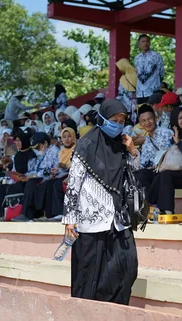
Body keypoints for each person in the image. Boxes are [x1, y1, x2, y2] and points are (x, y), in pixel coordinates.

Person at [62, 99, 139, 305]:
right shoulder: (86, 145)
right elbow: (73, 184)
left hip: (119, 219)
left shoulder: (122, 145)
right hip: (91, 222)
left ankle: (115, 310)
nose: (118, 124)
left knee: (128, 266)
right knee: (90, 276)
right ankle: (86, 316)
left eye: (122, 121)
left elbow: (132, 175)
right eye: (114, 120)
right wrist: (70, 219)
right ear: (103, 119)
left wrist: (132, 151)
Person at [148, 107, 182, 214]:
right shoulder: (175, 135)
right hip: (180, 173)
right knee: (157, 175)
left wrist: (179, 143)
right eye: (180, 118)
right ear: (174, 122)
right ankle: (151, 205)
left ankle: (167, 210)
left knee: (166, 175)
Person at [11, 131, 60, 222]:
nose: (37, 149)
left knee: (31, 183)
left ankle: (27, 214)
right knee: (26, 182)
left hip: (50, 177)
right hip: (41, 176)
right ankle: (27, 213)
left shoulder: (54, 152)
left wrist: (33, 176)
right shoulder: (43, 153)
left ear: (45, 143)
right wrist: (27, 175)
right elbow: (38, 168)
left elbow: (52, 169)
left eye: (38, 147)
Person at [0, 133, 36, 221]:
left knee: (13, 188)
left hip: (26, 181)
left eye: (19, 140)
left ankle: (16, 213)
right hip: (17, 180)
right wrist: (7, 172)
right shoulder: (17, 155)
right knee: (0, 188)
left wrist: (21, 176)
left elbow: (33, 171)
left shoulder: (31, 154)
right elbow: (14, 171)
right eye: (16, 141)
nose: (17, 143)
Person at [35, 127, 77, 221]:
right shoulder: (61, 151)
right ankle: (49, 213)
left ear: (73, 137)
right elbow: (59, 166)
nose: (67, 139)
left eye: (69, 136)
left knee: (56, 184)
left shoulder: (77, 148)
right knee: (48, 184)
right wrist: (55, 171)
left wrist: (65, 168)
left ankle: (60, 212)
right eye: (64, 137)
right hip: (63, 174)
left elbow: (77, 165)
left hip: (73, 173)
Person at [133, 105, 173, 191]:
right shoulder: (146, 141)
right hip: (154, 173)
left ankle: (148, 201)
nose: (147, 122)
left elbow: (166, 156)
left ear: (155, 118)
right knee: (139, 175)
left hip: (166, 170)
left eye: (149, 119)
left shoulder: (166, 133)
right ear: (140, 124)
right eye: (143, 121)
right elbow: (142, 164)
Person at [134, 34, 165, 103]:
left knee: (153, 112)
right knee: (142, 112)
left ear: (149, 43)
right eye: (143, 41)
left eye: (147, 41)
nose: (145, 43)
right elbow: (137, 73)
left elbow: (162, 73)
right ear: (139, 44)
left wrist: (156, 83)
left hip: (153, 91)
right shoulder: (137, 58)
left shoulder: (156, 56)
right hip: (140, 92)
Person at [116, 58, 138, 123]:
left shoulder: (123, 79)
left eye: (120, 67)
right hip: (137, 103)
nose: (119, 69)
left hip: (126, 106)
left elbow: (121, 93)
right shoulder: (137, 75)